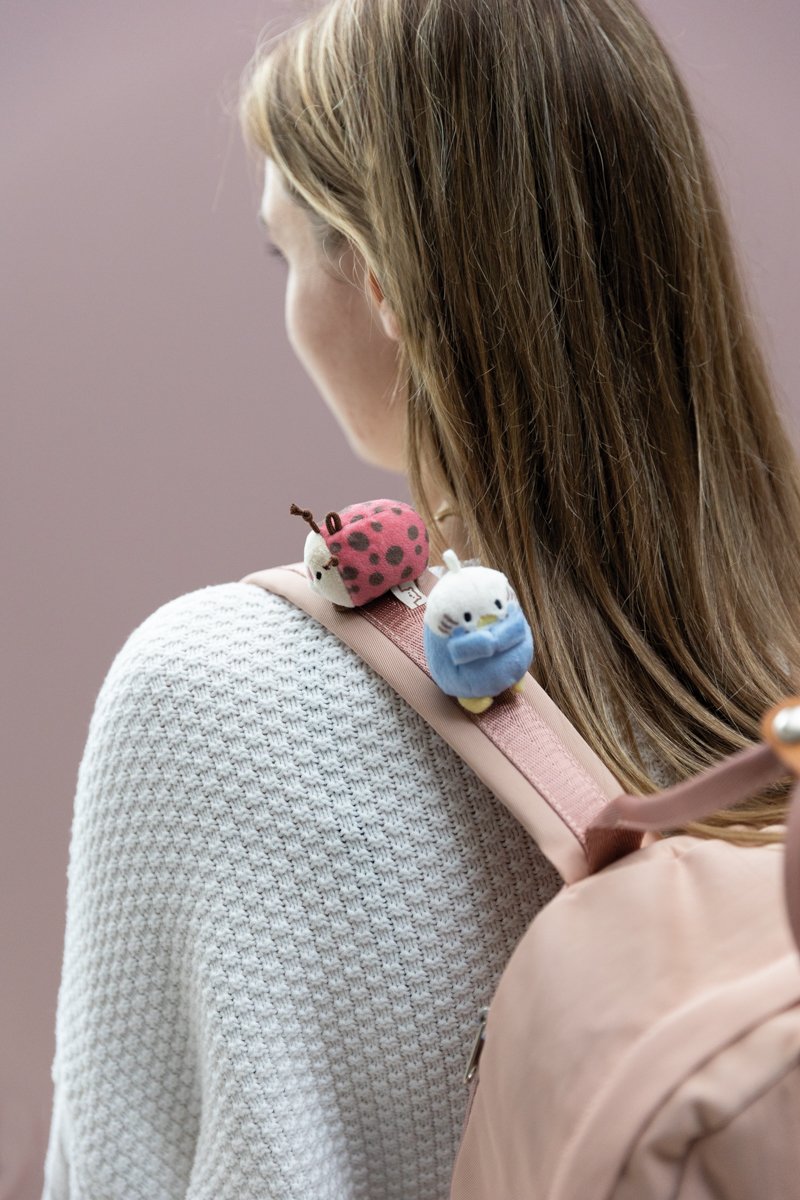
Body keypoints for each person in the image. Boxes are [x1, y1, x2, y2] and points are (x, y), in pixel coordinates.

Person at [42, 0, 800, 1197]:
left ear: (386, 281)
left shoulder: (217, 699)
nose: (290, 306)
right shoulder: (777, 691)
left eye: (287, 253)